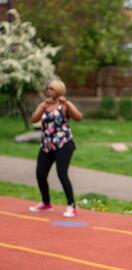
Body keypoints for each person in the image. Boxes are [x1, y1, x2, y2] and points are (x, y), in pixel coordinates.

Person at [29, 79, 82, 218]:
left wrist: (68, 106)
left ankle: (71, 206)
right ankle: (46, 203)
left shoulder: (65, 104)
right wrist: (41, 107)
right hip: (47, 145)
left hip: (64, 144)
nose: (49, 91)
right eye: (48, 89)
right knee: (40, 174)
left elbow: (79, 117)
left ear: (58, 90)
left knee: (61, 173)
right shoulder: (44, 105)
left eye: (52, 89)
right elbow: (34, 119)